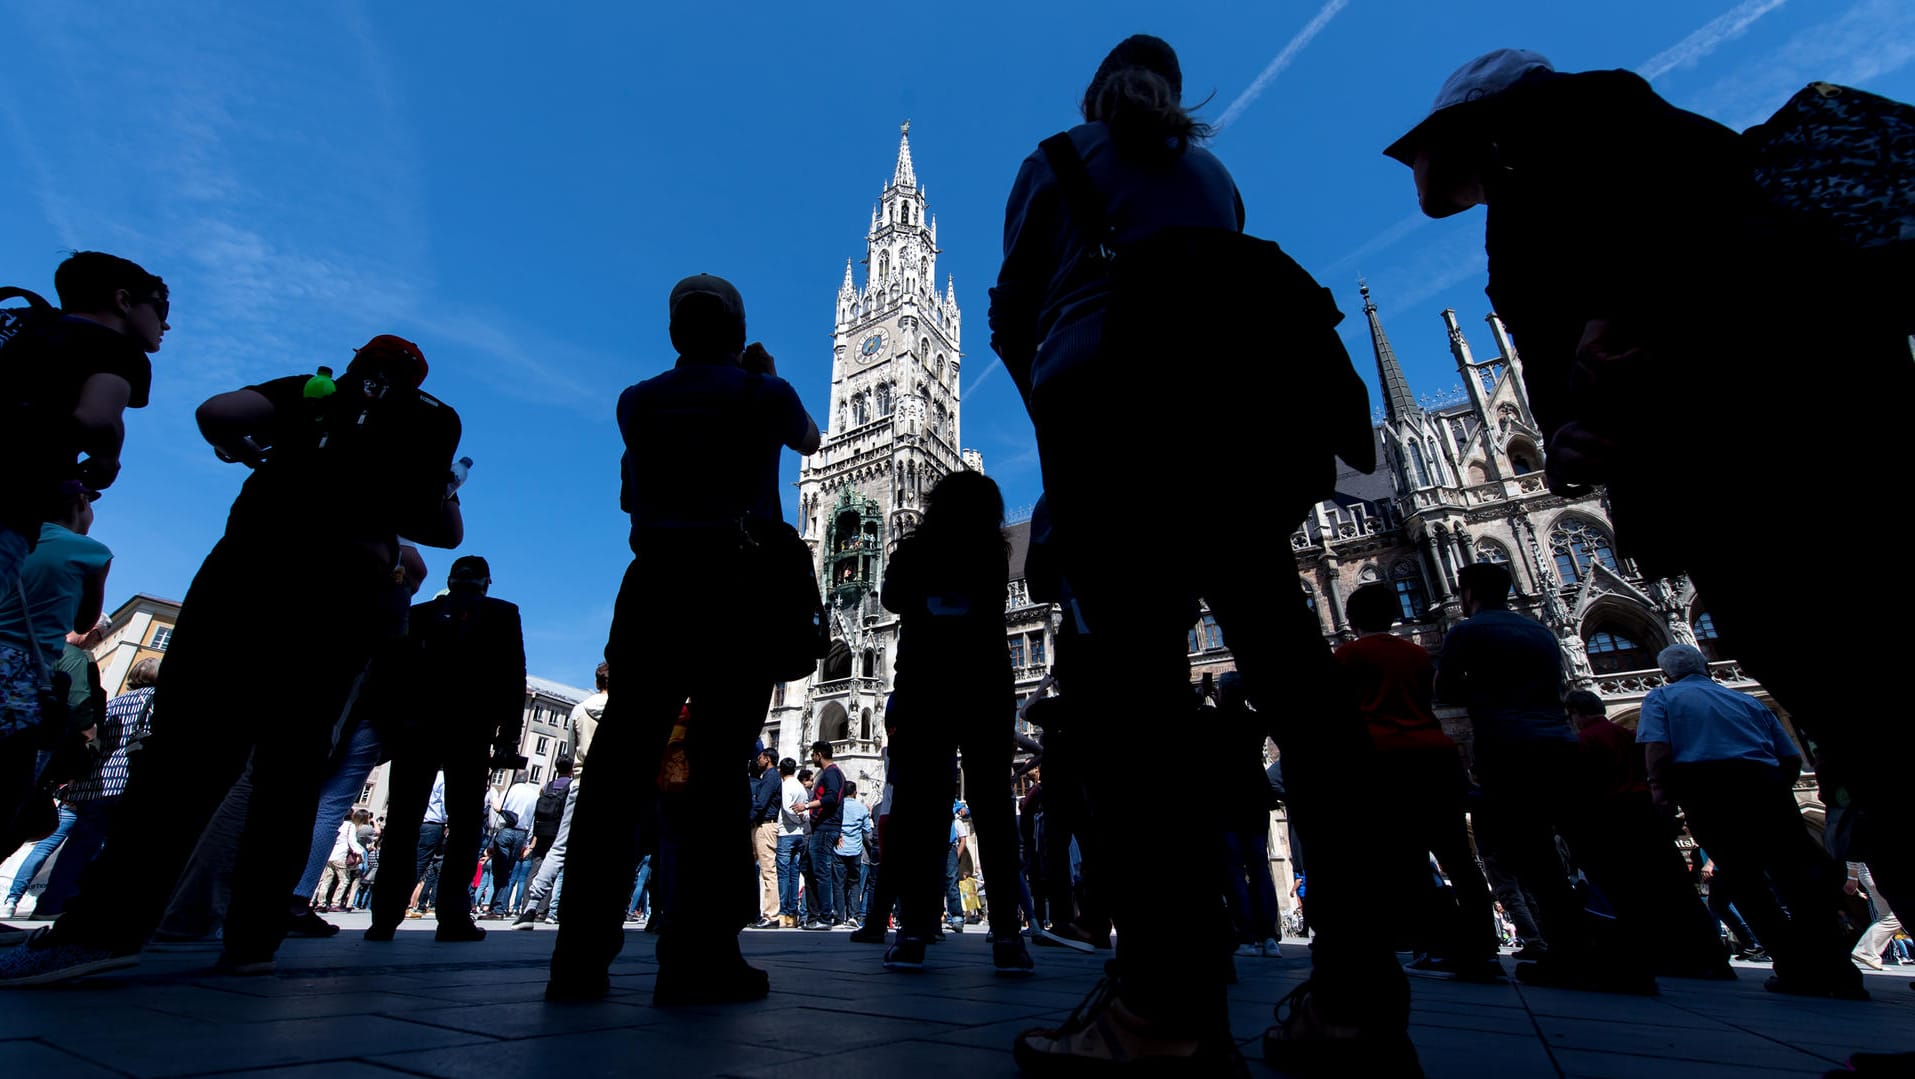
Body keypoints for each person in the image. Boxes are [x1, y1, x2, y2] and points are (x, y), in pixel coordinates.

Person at [1385, 47, 1915, 936]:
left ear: (1489, 127)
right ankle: (1816, 947)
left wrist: (1610, 347)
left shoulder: (1570, 164)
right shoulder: (1671, 142)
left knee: (1865, 716)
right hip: (1826, 455)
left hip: (1740, 476)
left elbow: (1632, 284)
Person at [988, 35, 1398, 1075]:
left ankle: (1162, 1001)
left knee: (1125, 701)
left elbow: (1014, 316)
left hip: (1116, 426)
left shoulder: (1057, 158)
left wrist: (1060, 451)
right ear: (1176, 97)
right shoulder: (1210, 173)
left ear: (1094, 95)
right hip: (1240, 437)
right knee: (1301, 692)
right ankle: (1355, 999)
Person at [0, 333, 464, 985]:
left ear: (359, 361)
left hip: (253, 571)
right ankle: (252, 939)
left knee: (186, 754)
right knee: (293, 769)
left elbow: (220, 412)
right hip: (344, 591)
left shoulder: (316, 389)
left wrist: (254, 451)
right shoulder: (429, 423)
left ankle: (102, 929)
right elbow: (445, 530)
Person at [543, 273, 819, 1005]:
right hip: (735, 588)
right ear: (736, 331)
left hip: (655, 582)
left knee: (618, 764)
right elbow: (811, 440)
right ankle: (696, 956)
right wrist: (760, 376)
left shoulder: (636, 400)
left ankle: (578, 957)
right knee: (719, 765)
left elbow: (632, 493)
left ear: (674, 333)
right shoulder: (765, 394)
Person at [1434, 561, 1647, 994]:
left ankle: (1568, 950)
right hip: (1560, 744)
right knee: (1590, 849)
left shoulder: (1468, 631)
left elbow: (1446, 690)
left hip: (1509, 745)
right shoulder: (1540, 630)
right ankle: (1633, 953)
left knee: (1534, 854)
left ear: (1469, 593)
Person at [1637, 644, 1864, 1000]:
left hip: (1708, 790)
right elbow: (1789, 756)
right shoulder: (1747, 701)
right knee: (1799, 880)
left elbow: (1657, 750)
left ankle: (1792, 966)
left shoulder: (1661, 699)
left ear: (1667, 674)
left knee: (1746, 881)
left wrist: (1661, 795)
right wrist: (1773, 790)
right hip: (1767, 785)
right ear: (1707, 668)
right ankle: (1836, 968)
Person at [875, 468, 1033, 973]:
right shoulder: (993, 551)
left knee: (924, 809)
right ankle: (1008, 934)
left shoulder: (915, 550)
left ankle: (917, 929)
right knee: (991, 804)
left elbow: (892, 597)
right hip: (985, 681)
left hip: (926, 682)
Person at [1336, 583, 1498, 981]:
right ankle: (1484, 944)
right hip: (1436, 753)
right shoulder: (1417, 654)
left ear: (1350, 618)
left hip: (1385, 759)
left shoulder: (1348, 656)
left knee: (1407, 860)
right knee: (1459, 857)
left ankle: (1440, 945)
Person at [367, 556, 526, 944]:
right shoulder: (503, 614)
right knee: (465, 824)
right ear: (487, 582)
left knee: (405, 821)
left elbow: (394, 672)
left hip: (418, 729)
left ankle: (384, 917)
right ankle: (452, 916)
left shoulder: (421, 614)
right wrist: (507, 737)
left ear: (451, 581)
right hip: (470, 731)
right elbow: (512, 676)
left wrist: (391, 726)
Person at [1563, 689, 1730, 981]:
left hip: (1615, 818)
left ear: (1575, 714)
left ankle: (1659, 955)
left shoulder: (1584, 741)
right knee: (1676, 887)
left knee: (1634, 890)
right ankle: (1712, 957)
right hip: (1647, 813)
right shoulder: (1629, 734)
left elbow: (1584, 788)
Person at [0, 480, 111, 858]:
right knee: (11, 785)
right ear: (81, 504)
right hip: (24, 673)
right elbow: (84, 620)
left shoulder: (14, 536)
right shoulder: (92, 553)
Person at [514, 662, 606, 929]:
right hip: (609, 787)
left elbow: (570, 750)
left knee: (560, 848)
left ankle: (531, 908)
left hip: (579, 782)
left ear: (597, 680)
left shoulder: (578, 710)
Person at [795, 740, 847, 929]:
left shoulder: (831, 773)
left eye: (813, 754)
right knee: (814, 870)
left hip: (825, 828)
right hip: (825, 828)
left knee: (821, 872)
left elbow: (832, 798)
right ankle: (816, 914)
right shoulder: (833, 773)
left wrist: (807, 805)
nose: (812, 758)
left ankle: (825, 917)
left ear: (819, 754)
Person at [485, 769, 540, 917]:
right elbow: (533, 820)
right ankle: (500, 906)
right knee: (509, 870)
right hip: (521, 834)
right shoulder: (533, 795)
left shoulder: (510, 791)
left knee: (499, 870)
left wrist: (491, 841)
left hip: (506, 830)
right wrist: (528, 843)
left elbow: (498, 813)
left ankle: (497, 907)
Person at [748, 748, 782, 928]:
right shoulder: (769, 776)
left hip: (766, 825)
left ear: (767, 759)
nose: (757, 760)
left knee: (768, 870)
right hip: (761, 825)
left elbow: (761, 802)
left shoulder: (771, 777)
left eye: (760, 757)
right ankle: (759, 912)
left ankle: (771, 914)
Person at [775, 757, 807, 929]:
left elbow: (787, 809)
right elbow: (806, 808)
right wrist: (802, 820)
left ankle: (782, 911)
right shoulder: (800, 787)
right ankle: (792, 913)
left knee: (783, 873)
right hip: (799, 833)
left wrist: (795, 820)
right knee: (794, 873)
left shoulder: (785, 786)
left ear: (781, 769)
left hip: (786, 832)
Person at [836, 781, 872, 931]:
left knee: (838, 883)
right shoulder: (862, 809)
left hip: (839, 848)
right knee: (854, 883)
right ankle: (854, 915)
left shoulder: (838, 807)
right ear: (855, 792)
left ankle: (839, 916)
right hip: (856, 850)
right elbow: (867, 831)